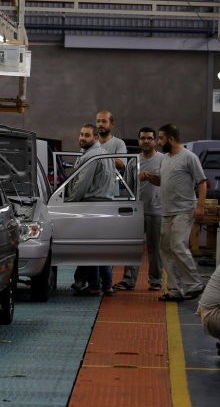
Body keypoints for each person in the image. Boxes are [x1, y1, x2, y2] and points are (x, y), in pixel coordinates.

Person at [142, 124, 207, 301]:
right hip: (167, 211)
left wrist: (200, 206)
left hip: (184, 210)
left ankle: (194, 284)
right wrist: (148, 177)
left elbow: (202, 182)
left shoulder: (189, 157)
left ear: (171, 138)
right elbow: (162, 182)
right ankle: (174, 289)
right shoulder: (166, 159)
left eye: (161, 138)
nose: (159, 142)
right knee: (166, 250)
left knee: (178, 245)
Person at [66, 124, 117, 296]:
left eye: (87, 135)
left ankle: (95, 286)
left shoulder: (92, 156)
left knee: (91, 248)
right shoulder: (102, 153)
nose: (82, 138)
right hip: (106, 204)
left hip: (92, 205)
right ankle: (107, 286)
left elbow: (81, 185)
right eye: (81, 134)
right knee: (102, 248)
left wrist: (69, 202)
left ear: (95, 138)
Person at [115, 126, 163, 291]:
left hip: (157, 211)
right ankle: (128, 281)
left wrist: (149, 177)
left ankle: (155, 281)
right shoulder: (133, 161)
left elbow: (168, 183)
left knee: (155, 249)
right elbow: (127, 188)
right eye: (143, 138)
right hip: (136, 212)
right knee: (133, 247)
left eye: (150, 138)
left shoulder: (163, 160)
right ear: (139, 140)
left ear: (155, 141)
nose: (146, 141)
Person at [94, 110, 126, 289]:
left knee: (105, 242)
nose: (100, 125)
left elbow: (122, 163)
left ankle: (106, 283)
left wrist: (100, 155)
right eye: (98, 121)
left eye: (104, 122)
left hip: (110, 198)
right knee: (90, 240)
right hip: (91, 198)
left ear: (111, 124)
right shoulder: (93, 142)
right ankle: (87, 281)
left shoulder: (118, 144)